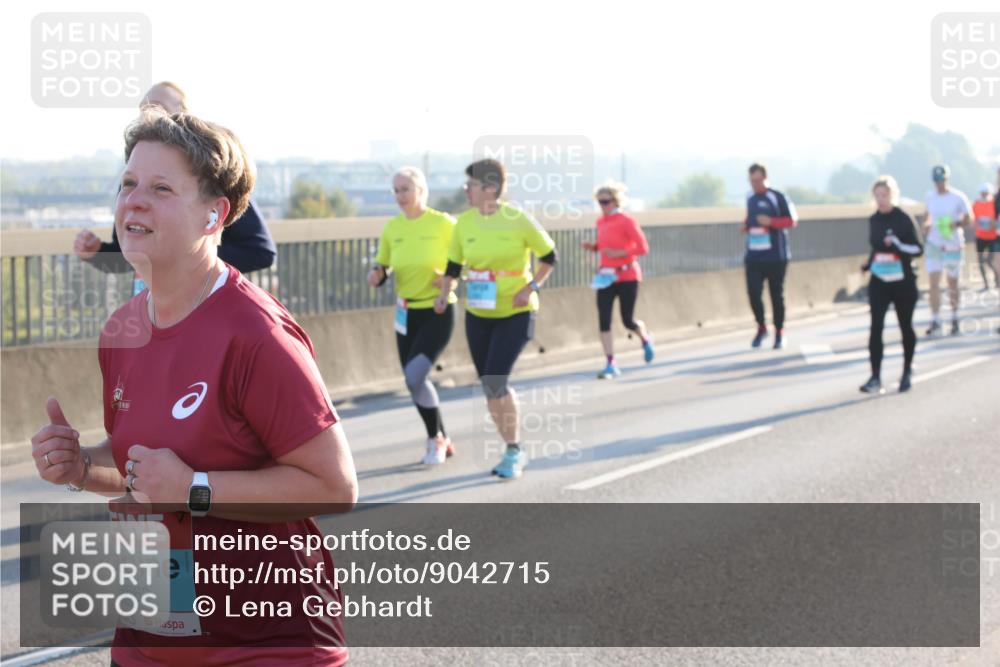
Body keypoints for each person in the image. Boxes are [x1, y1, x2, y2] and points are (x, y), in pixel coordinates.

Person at [30, 108, 357, 666]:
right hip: (148, 639)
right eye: (128, 183)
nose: (133, 201)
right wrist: (82, 467)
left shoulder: (257, 335)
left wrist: (196, 488)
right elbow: (146, 468)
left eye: (160, 188)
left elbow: (333, 486)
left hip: (266, 644)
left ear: (214, 214)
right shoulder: (122, 328)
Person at [73, 81, 276, 281]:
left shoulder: (212, 177)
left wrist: (187, 256)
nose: (149, 117)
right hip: (149, 308)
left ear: (186, 116)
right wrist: (98, 253)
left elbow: (260, 252)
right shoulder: (136, 179)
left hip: (199, 304)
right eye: (143, 110)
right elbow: (133, 255)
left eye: (158, 109)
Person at [434, 159, 557, 480]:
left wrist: (530, 287)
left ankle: (515, 450)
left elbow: (549, 257)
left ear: (489, 188)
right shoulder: (465, 223)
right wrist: (443, 293)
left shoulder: (517, 219)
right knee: (489, 385)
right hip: (479, 313)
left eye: (470, 185)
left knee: (497, 379)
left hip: (516, 312)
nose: (466, 191)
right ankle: (511, 446)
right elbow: (452, 264)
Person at [369, 167, 458, 465]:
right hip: (406, 312)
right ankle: (443, 436)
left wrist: (448, 280)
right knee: (414, 381)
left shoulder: (443, 223)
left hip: (437, 309)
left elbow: (465, 261)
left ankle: (435, 440)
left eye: (405, 189)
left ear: (421, 191)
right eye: (396, 190)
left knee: (415, 375)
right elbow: (383, 265)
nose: (400, 196)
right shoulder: (393, 228)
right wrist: (377, 273)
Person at [581, 181, 654, 378]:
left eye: (605, 201)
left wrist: (619, 252)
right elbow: (604, 245)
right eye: (599, 202)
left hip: (627, 275)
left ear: (615, 201)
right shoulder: (600, 222)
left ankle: (644, 338)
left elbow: (643, 248)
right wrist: (594, 247)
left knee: (627, 320)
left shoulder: (626, 221)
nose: (602, 205)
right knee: (603, 320)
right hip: (606, 277)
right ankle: (610, 362)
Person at [859, 176, 923, 395]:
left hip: (903, 280)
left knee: (905, 325)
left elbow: (918, 249)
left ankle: (907, 370)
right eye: (877, 196)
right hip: (880, 280)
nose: (880, 199)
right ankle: (875, 376)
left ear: (892, 195)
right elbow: (876, 249)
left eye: (884, 195)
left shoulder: (903, 218)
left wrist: (897, 244)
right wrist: (868, 265)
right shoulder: (873, 220)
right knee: (876, 327)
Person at [743, 163, 798, 349]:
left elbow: (792, 220)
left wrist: (771, 222)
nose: (755, 185)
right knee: (753, 293)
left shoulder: (778, 197)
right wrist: (745, 226)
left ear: (765, 178)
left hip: (776, 256)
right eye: (751, 181)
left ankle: (780, 332)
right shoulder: (749, 198)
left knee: (776, 295)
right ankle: (761, 326)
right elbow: (749, 219)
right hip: (754, 255)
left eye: (758, 181)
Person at [921, 164, 972, 336]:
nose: (939, 183)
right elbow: (927, 215)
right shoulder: (929, 196)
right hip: (934, 243)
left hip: (952, 243)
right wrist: (926, 225)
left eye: (941, 180)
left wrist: (955, 224)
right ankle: (935, 318)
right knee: (933, 282)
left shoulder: (958, 197)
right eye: (936, 180)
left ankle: (955, 316)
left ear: (947, 179)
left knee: (952, 282)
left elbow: (969, 218)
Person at [972, 182, 998, 290]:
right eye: (982, 193)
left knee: (991, 260)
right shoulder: (975, 205)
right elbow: (972, 219)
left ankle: (997, 279)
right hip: (980, 236)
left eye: (986, 193)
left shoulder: (995, 204)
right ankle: (986, 283)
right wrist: (975, 223)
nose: (984, 195)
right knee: (980, 260)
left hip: (993, 236)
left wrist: (994, 224)